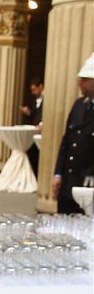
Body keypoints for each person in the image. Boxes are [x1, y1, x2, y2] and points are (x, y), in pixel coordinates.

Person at [51, 54, 94, 214]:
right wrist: (58, 173)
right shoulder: (79, 105)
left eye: (84, 79)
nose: (79, 83)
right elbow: (67, 141)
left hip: (88, 185)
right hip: (69, 183)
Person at [21, 76, 44, 176]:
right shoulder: (33, 101)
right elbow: (34, 115)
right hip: (34, 130)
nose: (33, 92)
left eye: (34, 89)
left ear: (41, 87)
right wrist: (28, 113)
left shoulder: (47, 99)